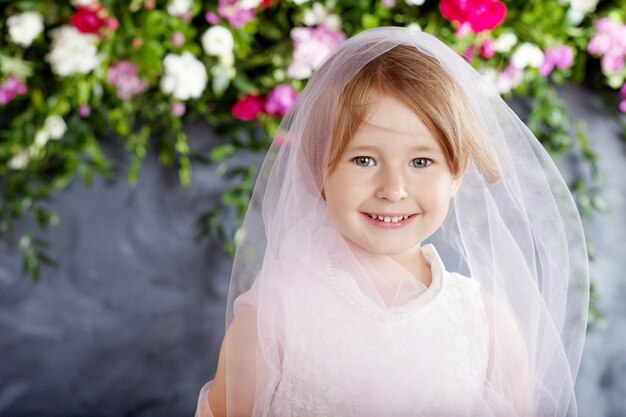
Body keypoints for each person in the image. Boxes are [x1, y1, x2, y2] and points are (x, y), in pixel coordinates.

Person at [195, 27, 589, 417]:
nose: (394, 189)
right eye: (363, 160)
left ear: (456, 173)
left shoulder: (486, 327)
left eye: (421, 162)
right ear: (319, 171)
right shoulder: (275, 319)